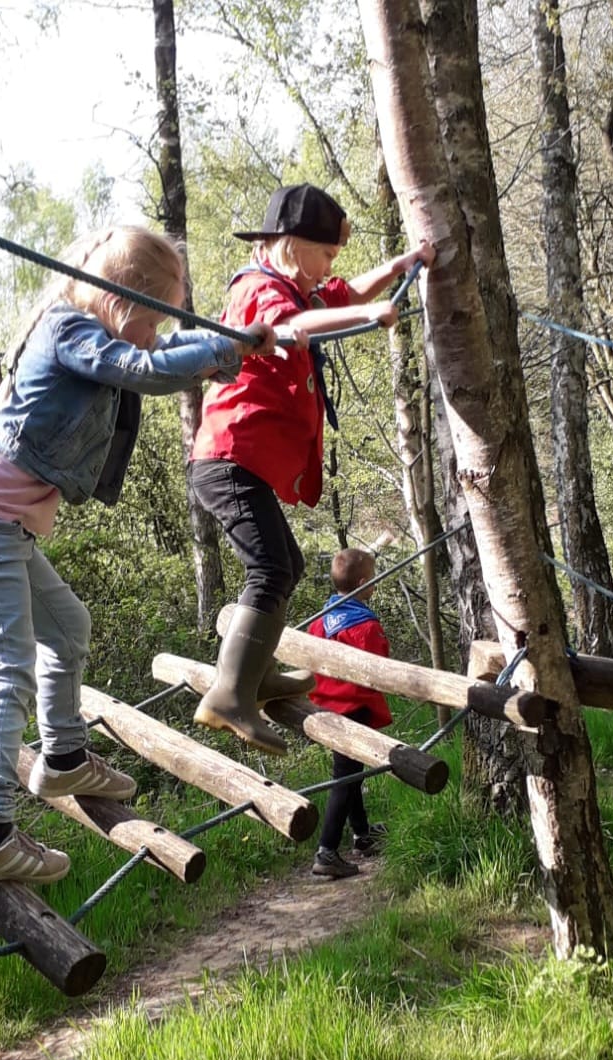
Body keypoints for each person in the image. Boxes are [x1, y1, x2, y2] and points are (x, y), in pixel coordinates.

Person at [0, 224, 279, 884]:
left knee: (66, 629)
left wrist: (230, 346)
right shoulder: (70, 330)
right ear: (120, 301)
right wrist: (228, 345)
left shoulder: (101, 333)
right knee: (6, 671)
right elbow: (146, 368)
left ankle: (63, 759)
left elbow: (163, 352)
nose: (154, 334)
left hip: (0, 526)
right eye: (152, 318)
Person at [188, 182, 434, 755]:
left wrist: (397, 267)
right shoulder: (258, 291)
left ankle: (254, 674)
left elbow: (343, 293)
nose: (329, 267)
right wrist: (367, 316)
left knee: (288, 565)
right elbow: (292, 326)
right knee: (271, 568)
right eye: (325, 254)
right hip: (227, 458)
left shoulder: (298, 287)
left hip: (241, 463)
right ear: (293, 246)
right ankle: (229, 694)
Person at [307, 548, 392, 879]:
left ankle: (362, 834)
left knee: (351, 772)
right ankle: (326, 851)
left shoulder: (320, 622)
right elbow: (379, 668)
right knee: (345, 777)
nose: (375, 584)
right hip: (353, 710)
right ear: (362, 583)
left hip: (325, 709)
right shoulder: (365, 626)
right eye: (373, 579)